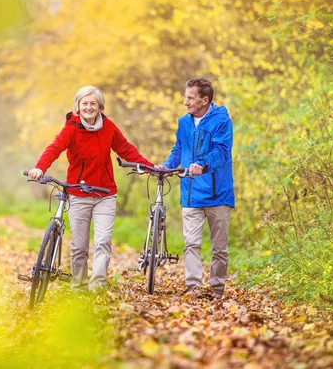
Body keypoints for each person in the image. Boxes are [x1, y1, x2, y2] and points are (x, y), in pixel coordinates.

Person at [27, 85, 153, 292]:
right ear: (77, 107)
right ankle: (79, 286)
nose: (89, 107)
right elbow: (54, 148)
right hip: (78, 193)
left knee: (103, 241)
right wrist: (40, 167)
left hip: (105, 194)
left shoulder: (109, 127)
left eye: (93, 103)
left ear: (100, 107)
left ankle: (98, 286)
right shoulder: (71, 129)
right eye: (84, 103)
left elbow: (125, 148)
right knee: (79, 246)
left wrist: (147, 166)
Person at [158, 77, 234, 299]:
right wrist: (167, 165)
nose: (185, 102)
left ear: (204, 100)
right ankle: (193, 287)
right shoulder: (184, 122)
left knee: (219, 248)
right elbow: (179, 148)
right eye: (185, 97)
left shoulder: (221, 120)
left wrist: (202, 163)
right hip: (190, 193)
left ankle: (217, 288)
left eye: (190, 98)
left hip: (218, 194)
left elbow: (222, 150)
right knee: (191, 243)